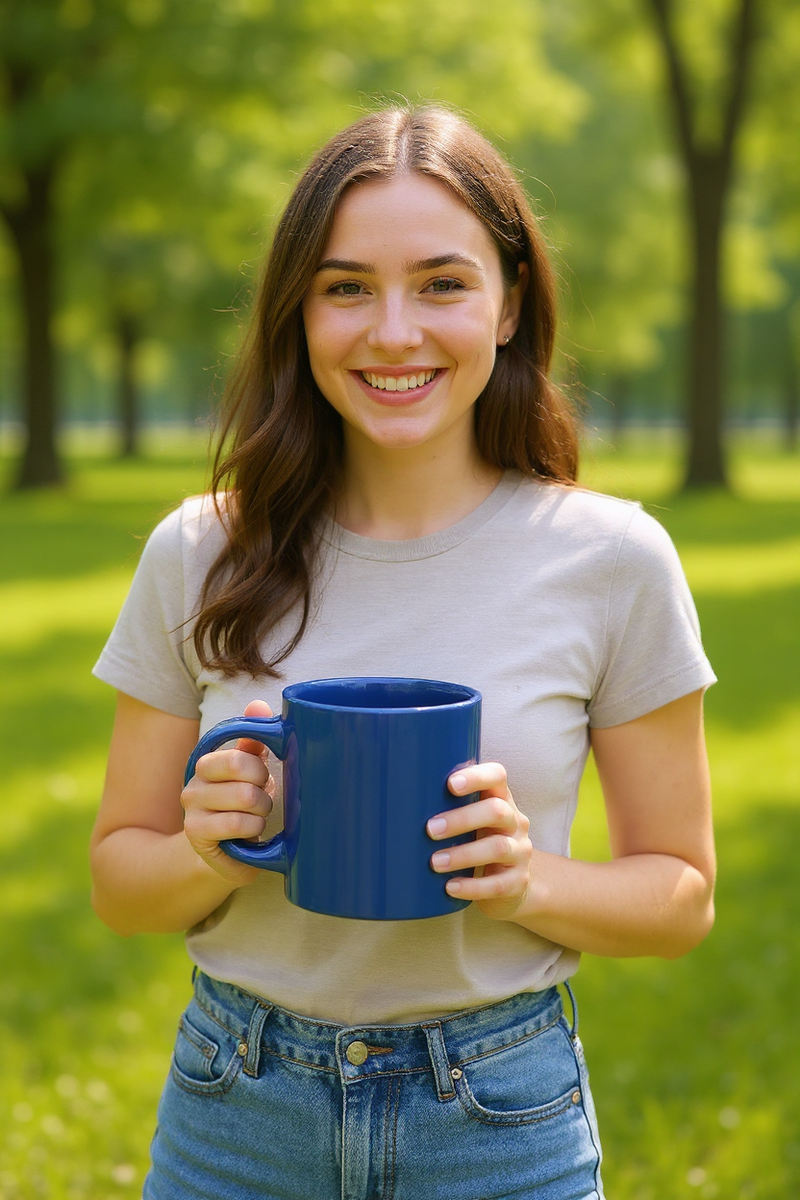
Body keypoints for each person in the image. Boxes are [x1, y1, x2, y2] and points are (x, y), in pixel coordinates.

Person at [90, 104, 716, 1200]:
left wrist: (525, 880)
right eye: (345, 288)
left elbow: (681, 895)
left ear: (508, 304)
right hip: (236, 1111)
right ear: (298, 313)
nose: (392, 333)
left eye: (441, 284)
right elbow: (117, 883)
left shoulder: (612, 559)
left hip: (497, 1119)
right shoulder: (199, 551)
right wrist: (208, 849)